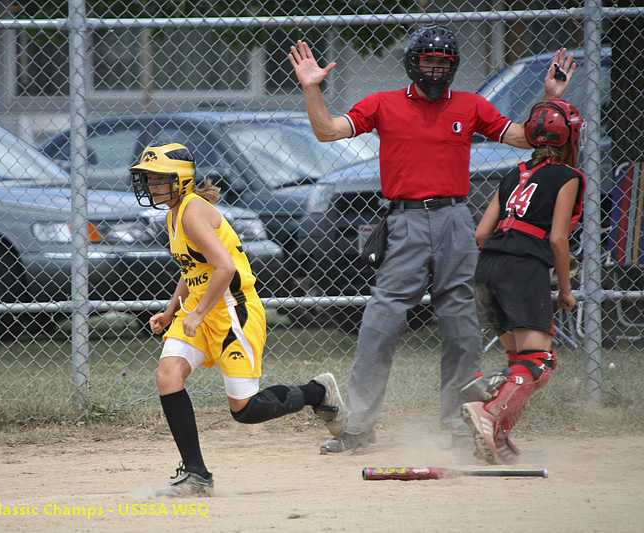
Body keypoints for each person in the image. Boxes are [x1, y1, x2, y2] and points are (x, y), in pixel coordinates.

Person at [288, 24, 575, 453]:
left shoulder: (471, 105)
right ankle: (360, 428)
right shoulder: (382, 104)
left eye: (444, 63)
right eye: (429, 61)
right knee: (380, 323)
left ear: (454, 67)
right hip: (404, 222)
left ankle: (461, 427)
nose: (436, 70)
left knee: (461, 325)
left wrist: (549, 99)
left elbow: (525, 137)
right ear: (412, 63)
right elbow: (327, 131)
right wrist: (313, 89)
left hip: (455, 219)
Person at [130, 142, 347, 497]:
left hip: (232, 310)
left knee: (245, 410)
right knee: (167, 375)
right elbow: (193, 267)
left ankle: (317, 392)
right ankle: (197, 475)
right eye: (148, 180)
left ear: (181, 181)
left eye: (158, 179)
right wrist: (172, 311)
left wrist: (198, 313)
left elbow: (225, 267)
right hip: (197, 312)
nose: (151, 187)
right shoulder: (174, 214)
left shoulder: (192, 212)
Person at [461, 98, 585, 464]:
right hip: (523, 268)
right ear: (569, 139)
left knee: (520, 360)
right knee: (540, 361)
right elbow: (558, 239)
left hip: (487, 268)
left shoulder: (513, 173)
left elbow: (481, 233)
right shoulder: (568, 177)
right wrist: (565, 290)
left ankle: (496, 432)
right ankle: (488, 410)